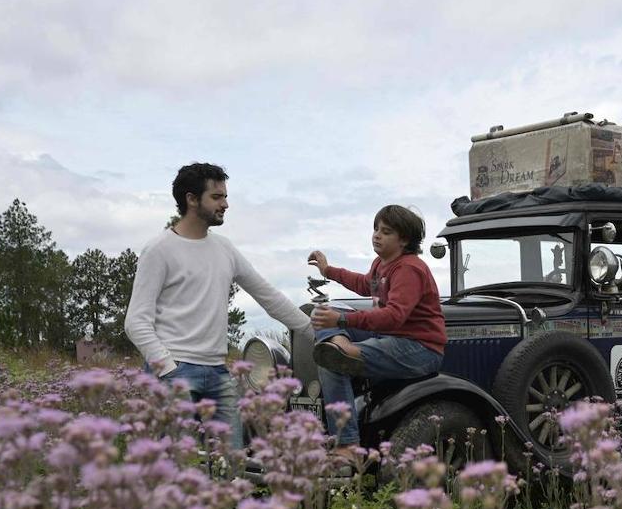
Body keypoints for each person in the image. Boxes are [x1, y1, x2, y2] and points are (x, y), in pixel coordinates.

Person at [126, 163, 312, 450]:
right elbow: (136, 321)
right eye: (216, 197)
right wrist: (167, 370)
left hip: (217, 372)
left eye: (225, 196)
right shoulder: (159, 250)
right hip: (174, 371)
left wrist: (315, 332)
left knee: (232, 464)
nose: (225, 204)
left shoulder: (224, 249)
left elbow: (269, 297)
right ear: (191, 199)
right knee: (176, 463)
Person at [306, 205, 446, 456]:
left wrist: (342, 322)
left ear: (404, 239)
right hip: (390, 339)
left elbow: (394, 317)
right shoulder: (381, 264)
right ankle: (340, 348)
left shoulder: (409, 268)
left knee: (334, 358)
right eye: (376, 229)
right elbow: (363, 284)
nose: (377, 235)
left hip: (419, 349)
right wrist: (328, 271)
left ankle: (347, 444)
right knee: (324, 318)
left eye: (386, 231)